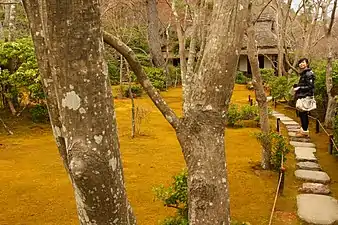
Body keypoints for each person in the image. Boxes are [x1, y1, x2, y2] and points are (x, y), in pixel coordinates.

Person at [294, 58, 315, 137]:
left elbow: (310, 86)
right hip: (302, 95)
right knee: (302, 113)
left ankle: (305, 131)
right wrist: (297, 86)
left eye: (303, 62)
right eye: (300, 63)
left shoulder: (309, 74)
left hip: (306, 96)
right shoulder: (304, 73)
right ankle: (303, 129)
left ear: (307, 63)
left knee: (304, 113)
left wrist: (299, 88)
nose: (301, 64)